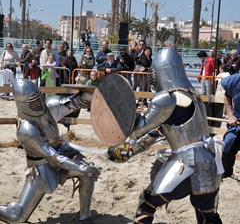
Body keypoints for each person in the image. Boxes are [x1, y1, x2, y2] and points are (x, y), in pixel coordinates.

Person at [109, 46, 223, 224]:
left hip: (186, 165)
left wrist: (120, 113)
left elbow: (137, 129)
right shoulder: (193, 95)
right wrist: (126, 151)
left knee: (146, 202)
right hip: (209, 165)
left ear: (158, 72)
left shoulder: (167, 99)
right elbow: (159, 132)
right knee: (207, 215)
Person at [0, 78, 101, 223]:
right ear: (23, 104)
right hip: (42, 168)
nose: (38, 102)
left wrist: (90, 97)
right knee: (16, 217)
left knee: (88, 173)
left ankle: (85, 218)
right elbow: (52, 157)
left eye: (38, 97)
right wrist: (80, 167)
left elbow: (75, 102)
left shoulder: (49, 108)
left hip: (61, 153)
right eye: (33, 100)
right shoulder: (26, 129)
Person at [221, 73, 240, 179]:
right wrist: (231, 115)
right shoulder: (235, 80)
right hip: (237, 122)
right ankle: (226, 173)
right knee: (227, 144)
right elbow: (227, 96)